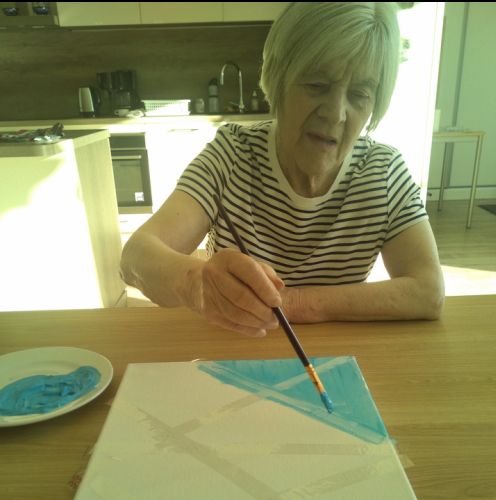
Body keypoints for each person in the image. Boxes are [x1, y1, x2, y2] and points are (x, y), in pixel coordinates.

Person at [120, 2, 445, 337]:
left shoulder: (384, 172)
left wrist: (293, 303)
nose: (336, 114)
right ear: (278, 79)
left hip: (333, 355)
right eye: (317, 85)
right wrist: (197, 284)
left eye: (360, 94)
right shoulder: (232, 155)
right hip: (234, 351)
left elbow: (428, 292)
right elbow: (135, 258)